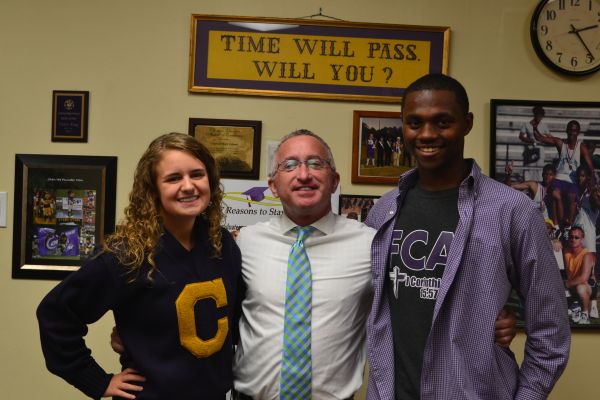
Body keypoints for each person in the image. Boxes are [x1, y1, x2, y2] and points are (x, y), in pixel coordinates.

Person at [110, 130, 516, 399]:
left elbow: (417, 302)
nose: (302, 175)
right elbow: (206, 302)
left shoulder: (373, 244)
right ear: (273, 186)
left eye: (315, 164)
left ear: (335, 180)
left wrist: (488, 321)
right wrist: (145, 329)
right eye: (289, 166)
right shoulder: (241, 245)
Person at [365, 74, 570, 400]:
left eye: (442, 121)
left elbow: (550, 328)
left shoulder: (512, 211)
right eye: (414, 122)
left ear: (467, 123)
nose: (427, 134)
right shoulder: (383, 211)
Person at [37, 133, 243, 399]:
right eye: (173, 178)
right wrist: (98, 381)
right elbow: (56, 316)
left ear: (211, 181)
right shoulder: (125, 255)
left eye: (197, 174)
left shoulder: (221, 244)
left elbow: (235, 318)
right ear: (152, 190)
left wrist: (135, 336)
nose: (189, 186)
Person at [535, 119, 594, 228]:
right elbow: (540, 138)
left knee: (571, 197)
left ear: (578, 132)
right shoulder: (561, 143)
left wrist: (590, 181)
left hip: (573, 180)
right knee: (555, 194)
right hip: (559, 178)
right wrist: (535, 128)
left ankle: (568, 227)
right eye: (570, 130)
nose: (572, 133)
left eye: (575, 131)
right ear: (566, 131)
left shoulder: (581, 147)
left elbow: (591, 168)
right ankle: (557, 225)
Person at [563, 226, 595, 325]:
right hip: (572, 284)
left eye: (576, 237)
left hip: (587, 286)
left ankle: (585, 314)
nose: (573, 239)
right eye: (571, 237)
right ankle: (574, 307)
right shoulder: (566, 251)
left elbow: (584, 278)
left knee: (580, 288)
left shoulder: (587, 255)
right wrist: (556, 241)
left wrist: (565, 284)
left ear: (582, 239)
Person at [518, 105, 550, 181]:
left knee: (539, 170)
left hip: (540, 151)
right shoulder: (527, 125)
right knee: (529, 170)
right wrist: (529, 140)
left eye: (541, 116)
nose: (540, 117)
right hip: (530, 151)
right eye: (538, 115)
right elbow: (521, 136)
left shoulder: (544, 126)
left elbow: (550, 137)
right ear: (535, 114)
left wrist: (543, 140)